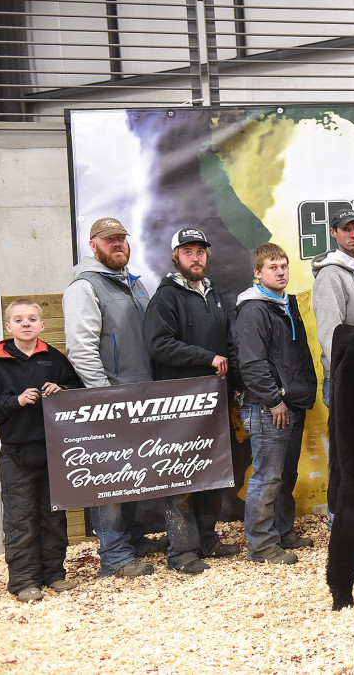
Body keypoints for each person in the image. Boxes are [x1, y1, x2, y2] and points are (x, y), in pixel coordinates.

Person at [62, 217, 158, 578]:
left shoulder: (134, 283)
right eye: (109, 239)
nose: (117, 244)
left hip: (140, 393)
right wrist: (103, 396)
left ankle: (132, 540)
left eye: (121, 238)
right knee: (110, 477)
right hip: (111, 396)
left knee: (133, 471)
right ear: (93, 245)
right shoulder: (84, 287)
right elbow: (81, 348)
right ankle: (115, 555)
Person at [143, 228, 241, 573]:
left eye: (201, 251)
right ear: (175, 257)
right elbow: (158, 344)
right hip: (179, 402)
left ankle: (208, 541)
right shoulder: (166, 296)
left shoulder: (214, 294)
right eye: (188, 251)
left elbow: (229, 344)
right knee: (181, 477)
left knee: (211, 472)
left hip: (213, 399)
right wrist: (205, 357)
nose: (196, 257)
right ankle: (182, 552)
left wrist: (237, 382)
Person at [0, 300, 82, 602]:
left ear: (42, 325)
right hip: (16, 455)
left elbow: (76, 390)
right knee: (20, 519)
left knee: (54, 518)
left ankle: (54, 575)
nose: (26, 323)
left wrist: (61, 391)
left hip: (54, 452)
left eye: (32, 318)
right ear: (8, 327)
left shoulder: (54, 359)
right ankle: (24, 581)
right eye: (19, 319)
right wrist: (15, 401)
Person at [234, 242, 318, 564]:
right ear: (258, 273)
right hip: (269, 406)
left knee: (285, 475)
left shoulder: (284, 304)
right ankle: (261, 546)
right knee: (267, 477)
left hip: (291, 403)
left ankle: (282, 533)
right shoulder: (254, 309)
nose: (281, 271)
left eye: (283, 266)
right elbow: (252, 364)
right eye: (273, 267)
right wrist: (273, 400)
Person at [310, 208, 354, 526]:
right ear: (333, 234)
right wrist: (348, 372)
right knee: (343, 453)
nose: (353, 233)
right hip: (344, 377)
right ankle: (340, 520)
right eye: (346, 229)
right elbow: (330, 333)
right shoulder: (330, 274)